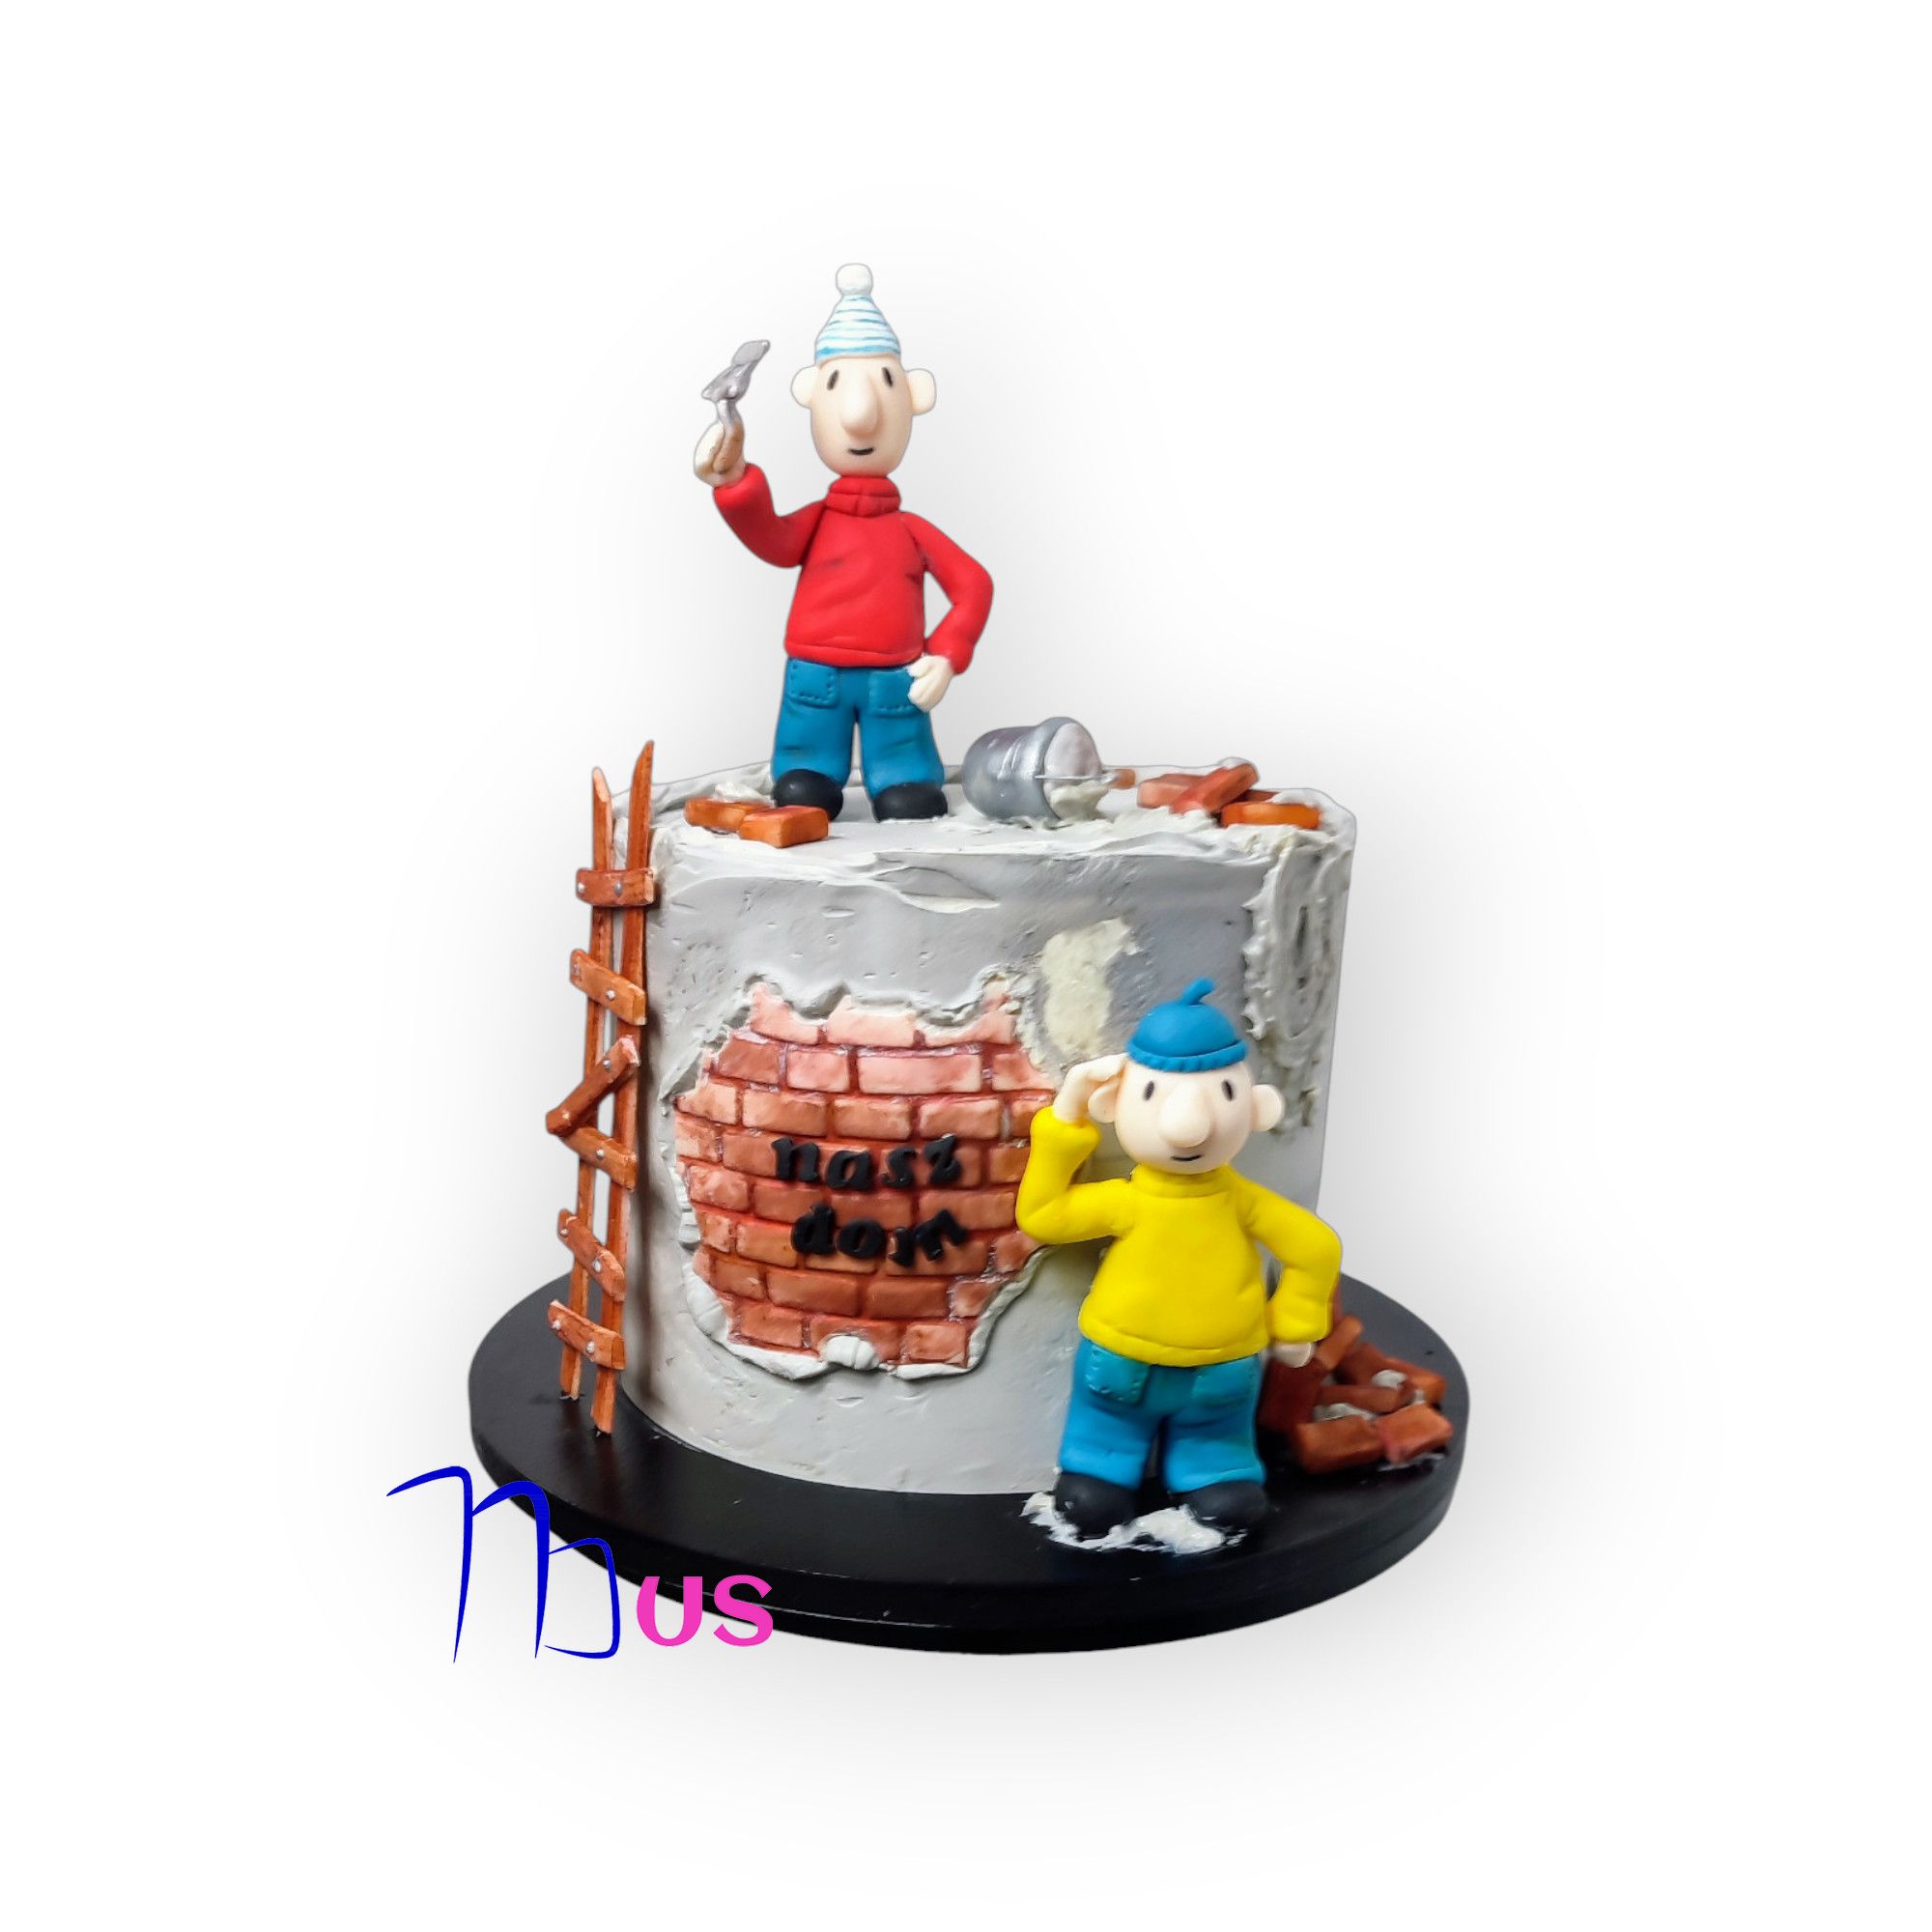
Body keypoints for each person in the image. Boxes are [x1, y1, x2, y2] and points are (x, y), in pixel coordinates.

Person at [1017, 981, 1341, 1535]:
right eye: (1152, 1095)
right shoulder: (1128, 1201)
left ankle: (1215, 1472)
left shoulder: (1244, 1204)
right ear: (1114, 1106)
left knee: (1217, 1443)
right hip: (1122, 1361)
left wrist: (1295, 1321)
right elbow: (1044, 1215)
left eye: (1223, 1095)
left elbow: (1315, 1247)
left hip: (1221, 1370)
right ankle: (1098, 1470)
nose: (1189, 1127)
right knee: (1103, 1443)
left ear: (1257, 1108)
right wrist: (1066, 1115)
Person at [693, 264, 993, 821]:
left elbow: (974, 584)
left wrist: (947, 654)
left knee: (907, 787)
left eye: (886, 384)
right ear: (810, 393)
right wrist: (735, 483)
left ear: (916, 395)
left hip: (895, 679)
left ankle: (902, 776)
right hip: (816, 675)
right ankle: (810, 771)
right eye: (836, 386)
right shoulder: (818, 522)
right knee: (804, 780)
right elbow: (775, 541)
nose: (860, 417)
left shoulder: (912, 530)